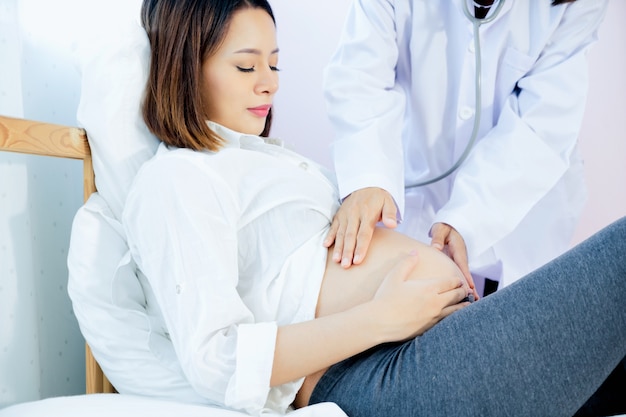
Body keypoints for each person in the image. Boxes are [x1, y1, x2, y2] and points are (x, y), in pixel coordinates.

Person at [122, 0, 626, 416]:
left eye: (275, 64)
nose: (270, 83)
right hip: (382, 374)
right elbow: (213, 358)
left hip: (434, 343)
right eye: (247, 65)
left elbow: (542, 129)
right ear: (185, 66)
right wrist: (381, 319)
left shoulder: (263, 165)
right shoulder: (178, 177)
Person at [322, 0, 609, 297]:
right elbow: (360, 76)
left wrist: (467, 220)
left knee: (511, 325)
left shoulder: (579, 5)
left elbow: (542, 121)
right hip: (419, 184)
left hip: (522, 198)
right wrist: (370, 175)